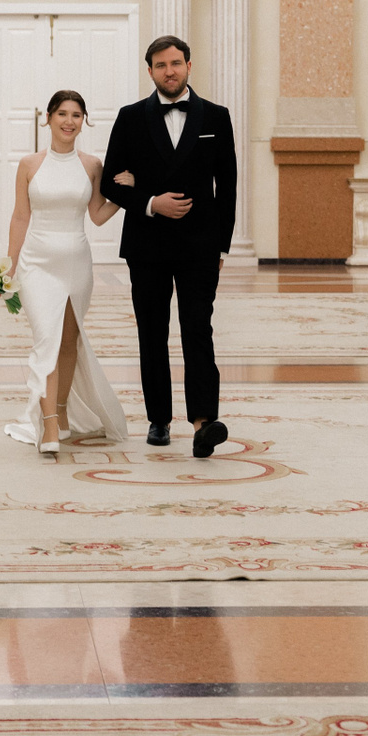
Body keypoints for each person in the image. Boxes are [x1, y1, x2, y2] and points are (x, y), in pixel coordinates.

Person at [99, 36, 239, 460]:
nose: (169, 71)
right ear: (150, 71)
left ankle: (203, 423)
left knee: (198, 330)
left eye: (176, 63)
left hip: (200, 246)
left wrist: (221, 248)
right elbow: (109, 183)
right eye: (160, 65)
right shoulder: (130, 117)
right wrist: (149, 202)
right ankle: (158, 419)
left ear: (189, 66)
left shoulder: (216, 116)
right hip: (147, 244)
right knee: (152, 331)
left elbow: (227, 187)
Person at [2, 91, 130, 453]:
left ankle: (60, 412)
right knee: (47, 340)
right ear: (48, 118)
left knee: (68, 342)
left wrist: (125, 196)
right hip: (37, 264)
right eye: (62, 114)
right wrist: (9, 266)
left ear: (83, 122)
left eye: (76, 115)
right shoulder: (29, 164)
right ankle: (48, 426)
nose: (68, 121)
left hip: (76, 265)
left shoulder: (92, 165)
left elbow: (98, 215)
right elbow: (20, 216)